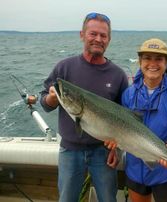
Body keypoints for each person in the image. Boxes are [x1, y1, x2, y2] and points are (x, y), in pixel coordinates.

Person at [40, 12, 128, 202]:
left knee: (108, 199)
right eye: (93, 34)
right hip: (70, 151)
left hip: (103, 153)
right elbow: (44, 102)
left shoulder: (118, 75)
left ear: (109, 39)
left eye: (103, 36)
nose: (98, 39)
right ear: (82, 35)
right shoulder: (63, 68)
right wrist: (51, 100)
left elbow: (125, 119)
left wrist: (117, 149)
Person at [121, 38, 167, 202]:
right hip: (135, 168)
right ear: (140, 61)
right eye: (147, 58)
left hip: (165, 171)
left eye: (159, 59)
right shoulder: (129, 94)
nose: (152, 64)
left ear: (166, 63)